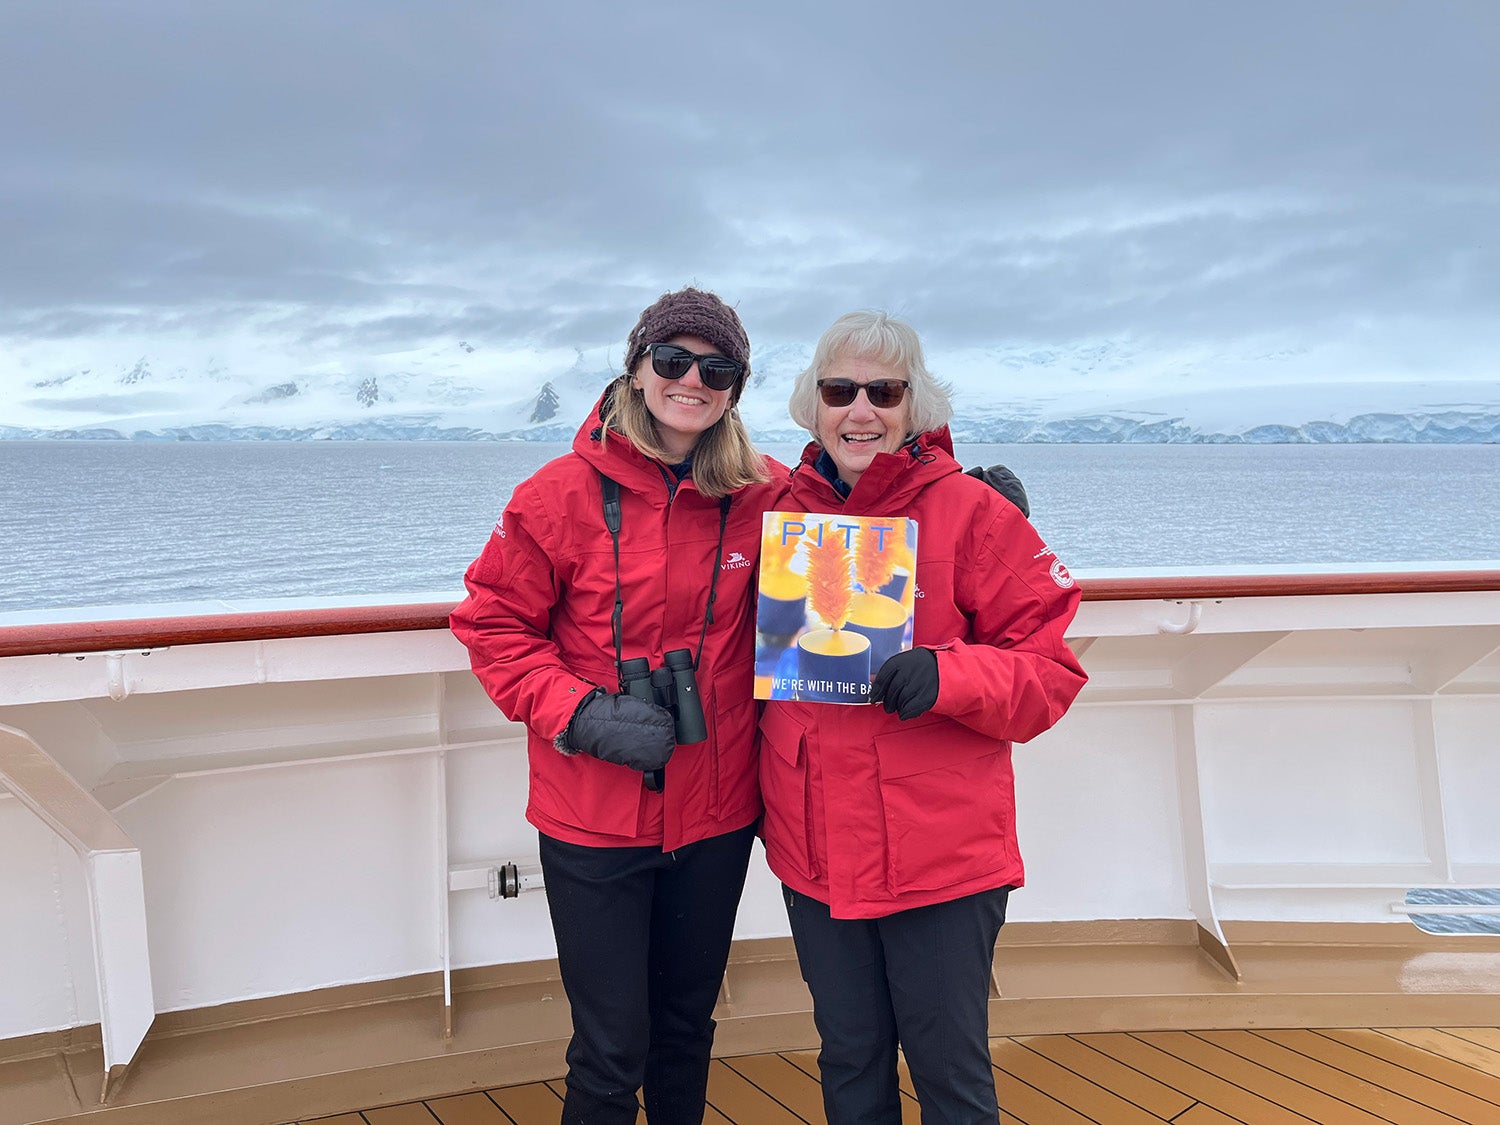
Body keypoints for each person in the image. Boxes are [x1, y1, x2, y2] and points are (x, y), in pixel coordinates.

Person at [450, 288, 787, 1124]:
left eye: (716, 368)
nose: (691, 380)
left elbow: (862, 522)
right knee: (609, 1047)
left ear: (736, 387)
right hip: (591, 817)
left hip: (714, 812)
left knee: (685, 1028)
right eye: (671, 360)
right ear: (636, 370)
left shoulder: (765, 491)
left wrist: (966, 494)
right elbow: (493, 624)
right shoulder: (556, 495)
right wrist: (576, 712)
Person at [758, 311, 1088, 1124]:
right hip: (816, 846)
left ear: (916, 405)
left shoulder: (973, 512)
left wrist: (948, 672)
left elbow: (1049, 672)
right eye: (841, 390)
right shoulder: (776, 513)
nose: (860, 410)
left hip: (938, 853)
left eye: (884, 391)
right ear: (813, 403)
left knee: (949, 1070)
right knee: (850, 1058)